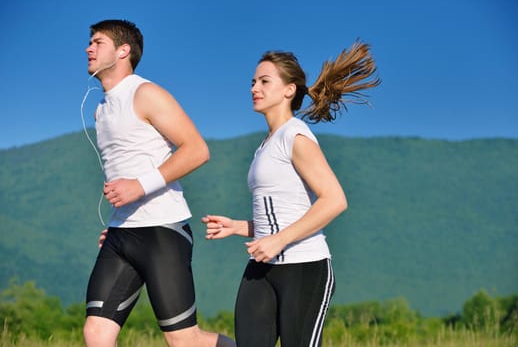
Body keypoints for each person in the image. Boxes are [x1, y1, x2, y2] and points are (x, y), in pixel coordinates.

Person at [201, 42, 380, 346]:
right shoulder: (265, 145)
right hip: (263, 269)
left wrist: (279, 240)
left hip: (305, 268)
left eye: (264, 81)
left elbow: (335, 200)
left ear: (289, 90)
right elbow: (282, 217)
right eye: (253, 82)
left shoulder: (295, 136)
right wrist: (238, 227)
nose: (254, 88)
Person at [83, 19, 235, 347]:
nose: (88, 48)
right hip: (120, 234)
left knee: (185, 340)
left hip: (162, 230)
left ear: (123, 50)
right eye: (90, 43)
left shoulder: (145, 93)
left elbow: (197, 149)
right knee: (96, 333)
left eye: (97, 42)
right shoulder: (100, 110)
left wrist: (139, 186)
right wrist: (121, 220)